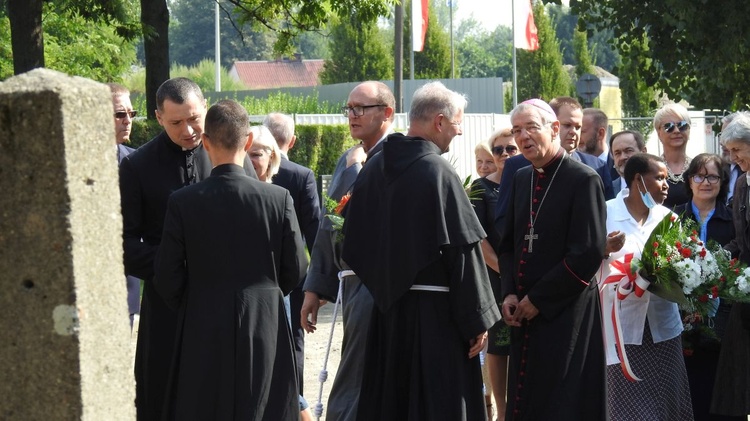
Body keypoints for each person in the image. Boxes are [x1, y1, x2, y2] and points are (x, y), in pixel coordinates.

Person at [340, 81, 500, 421]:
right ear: (439, 122)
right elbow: (463, 250)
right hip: (436, 319)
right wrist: (477, 319)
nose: (459, 131)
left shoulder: (371, 169)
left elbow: (352, 243)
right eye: (458, 122)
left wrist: (386, 283)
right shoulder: (437, 170)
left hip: (387, 317)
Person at [153, 99, 307, 420]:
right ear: (248, 141)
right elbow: (296, 268)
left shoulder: (183, 202)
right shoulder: (278, 198)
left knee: (207, 406)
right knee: (265, 405)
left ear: (206, 142)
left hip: (202, 319)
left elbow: (167, 275)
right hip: (265, 319)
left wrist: (194, 301)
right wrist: (267, 291)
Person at [119, 77, 256, 421]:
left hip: (225, 301)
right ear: (158, 117)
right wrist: (173, 267)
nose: (189, 131)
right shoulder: (137, 167)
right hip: (168, 302)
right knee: (165, 392)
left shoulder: (232, 155)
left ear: (205, 107)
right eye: (177, 122)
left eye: (194, 118)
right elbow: (123, 243)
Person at [498, 98, 607, 420]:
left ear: (554, 128)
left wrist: (540, 299)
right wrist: (508, 293)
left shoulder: (583, 179)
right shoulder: (520, 179)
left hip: (565, 313)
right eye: (517, 130)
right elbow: (507, 246)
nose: (523, 137)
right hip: (523, 312)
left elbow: (587, 252)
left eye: (531, 127)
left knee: (563, 402)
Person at [300, 80, 395, 421]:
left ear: (387, 112)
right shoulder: (350, 157)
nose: (351, 115)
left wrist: (357, 170)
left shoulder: (400, 155)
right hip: (352, 284)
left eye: (361, 108)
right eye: (349, 108)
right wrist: (316, 286)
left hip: (384, 284)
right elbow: (332, 222)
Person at [598, 153, 693, 420]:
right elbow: (584, 259)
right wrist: (603, 249)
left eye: (667, 179)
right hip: (622, 327)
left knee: (667, 402)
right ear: (638, 180)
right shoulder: (606, 212)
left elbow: (680, 265)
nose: (666, 185)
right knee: (625, 405)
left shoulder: (668, 218)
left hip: (663, 326)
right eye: (660, 178)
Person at [493, 97, 613, 238]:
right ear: (554, 127)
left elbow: (603, 219)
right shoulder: (517, 167)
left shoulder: (595, 168)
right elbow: (504, 219)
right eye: (567, 125)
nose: (573, 132)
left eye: (578, 127)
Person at [673, 153, 735, 421]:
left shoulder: (733, 220)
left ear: (722, 182)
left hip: (723, 319)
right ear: (689, 180)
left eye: (712, 176)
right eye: (699, 175)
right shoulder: (674, 217)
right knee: (690, 389)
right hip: (682, 316)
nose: (705, 182)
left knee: (720, 389)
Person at [264, 112, 321, 395]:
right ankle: (294, 400)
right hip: (294, 273)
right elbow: (315, 232)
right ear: (293, 141)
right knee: (294, 340)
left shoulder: (243, 170)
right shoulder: (301, 176)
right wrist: (320, 281)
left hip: (257, 272)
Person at [470, 128, 517, 421]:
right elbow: (478, 238)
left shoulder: (531, 182)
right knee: (499, 347)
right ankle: (501, 412)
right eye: (498, 150)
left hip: (531, 279)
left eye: (510, 149)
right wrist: (509, 272)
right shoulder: (480, 188)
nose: (504, 155)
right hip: (497, 278)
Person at [711, 115, 750, 420]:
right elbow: (740, 239)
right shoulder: (741, 185)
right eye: (730, 151)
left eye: (738, 149)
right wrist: (713, 259)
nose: (734, 158)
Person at [107, 82, 140, 327]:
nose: (127, 120)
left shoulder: (138, 162)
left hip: (124, 281)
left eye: (131, 113)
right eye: (120, 114)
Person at [654, 102, 692, 208]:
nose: (676, 131)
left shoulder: (698, 168)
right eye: (668, 127)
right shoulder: (651, 169)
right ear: (658, 132)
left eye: (682, 125)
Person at [582, 107, 618, 180]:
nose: (576, 135)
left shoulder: (620, 165)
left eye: (582, 132)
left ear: (600, 133)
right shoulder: (571, 164)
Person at [610, 130, 648, 195]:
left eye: (629, 150)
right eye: (617, 153)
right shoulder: (606, 190)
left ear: (643, 152)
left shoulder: (660, 186)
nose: (622, 157)